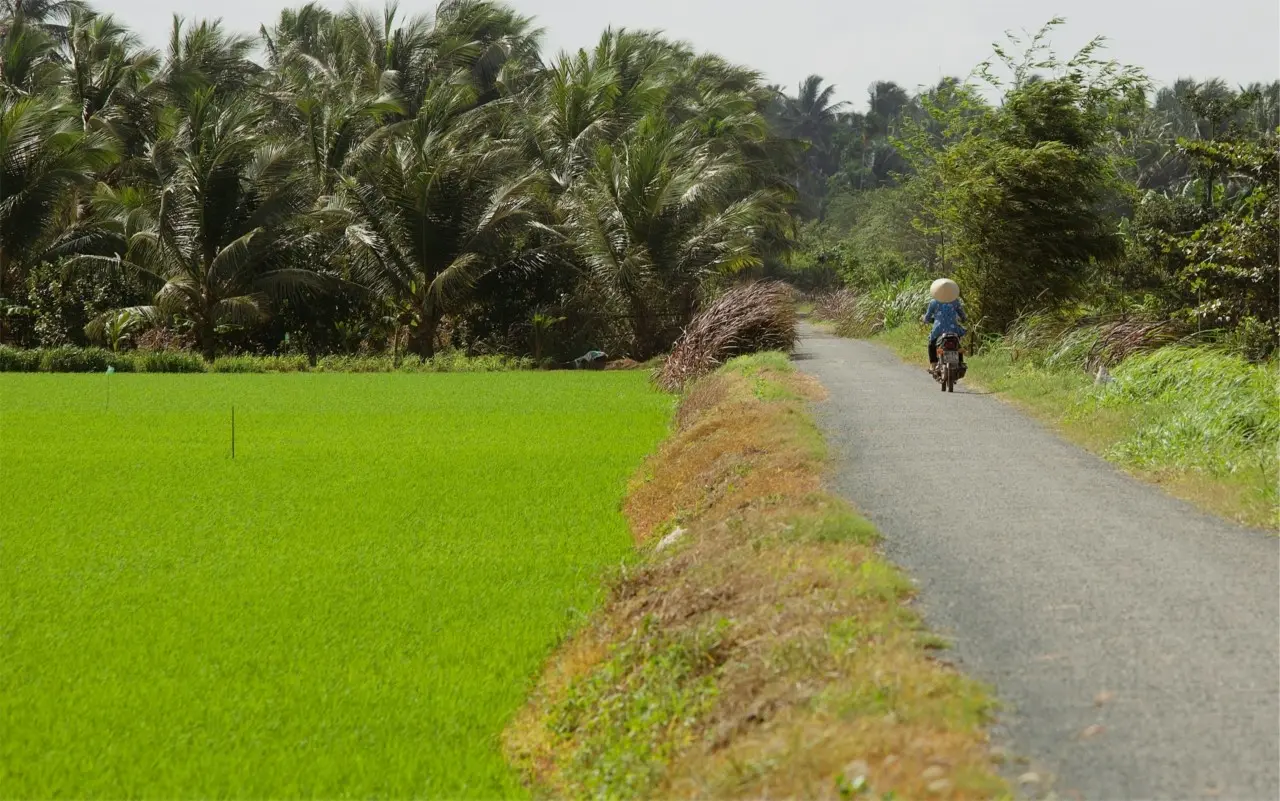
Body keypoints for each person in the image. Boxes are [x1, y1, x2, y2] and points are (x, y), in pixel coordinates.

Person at [922, 278, 967, 369]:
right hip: (953, 329)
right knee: (957, 344)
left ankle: (933, 363)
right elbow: (962, 314)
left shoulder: (933, 302)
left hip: (938, 330)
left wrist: (925, 320)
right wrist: (964, 319)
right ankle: (960, 362)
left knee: (931, 344)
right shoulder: (955, 302)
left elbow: (927, 317)